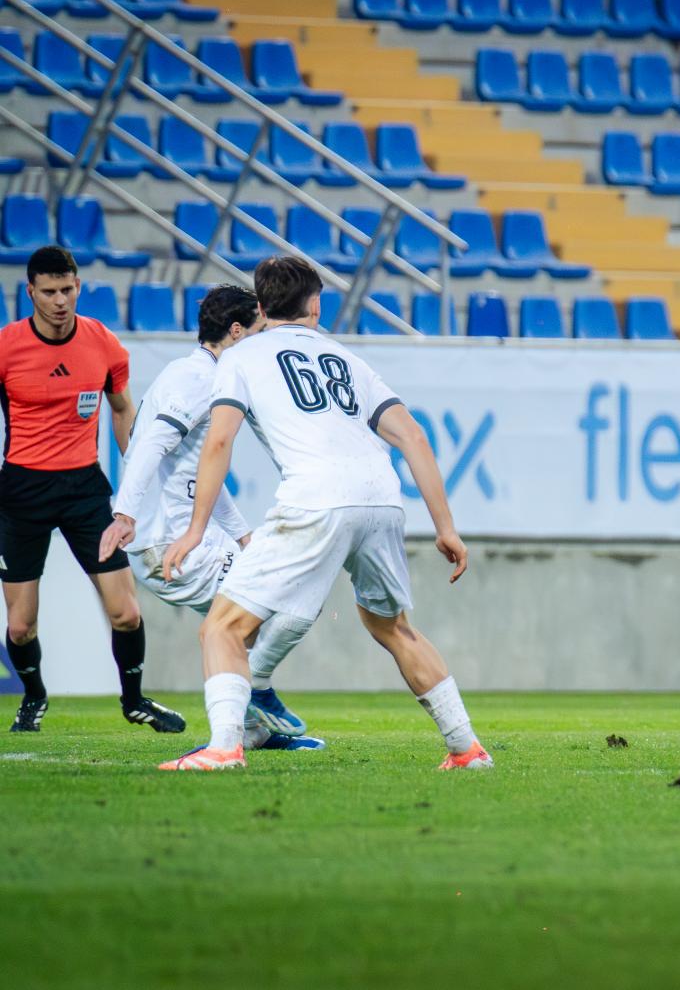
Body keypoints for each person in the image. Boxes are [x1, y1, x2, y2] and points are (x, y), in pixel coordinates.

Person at [158, 256, 490, 771]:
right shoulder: (346, 358)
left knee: (221, 628)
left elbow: (219, 440)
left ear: (261, 307)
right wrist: (445, 528)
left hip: (316, 496)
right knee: (393, 626)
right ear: (316, 305)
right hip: (381, 497)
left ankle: (224, 747)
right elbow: (412, 437)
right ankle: (466, 748)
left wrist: (195, 530)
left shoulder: (240, 358)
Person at [97, 284, 320, 751]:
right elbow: (149, 445)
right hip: (169, 541)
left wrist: (242, 538)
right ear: (236, 332)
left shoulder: (195, 373)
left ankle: (250, 729)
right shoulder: (198, 380)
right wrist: (125, 514)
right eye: (258, 332)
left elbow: (202, 478)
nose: (262, 341)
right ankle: (255, 695)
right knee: (278, 600)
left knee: (247, 619)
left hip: (184, 536)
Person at [0, 246, 184, 734]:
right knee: (20, 625)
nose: (60, 300)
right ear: (31, 292)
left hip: (84, 489)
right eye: (49, 292)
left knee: (126, 613)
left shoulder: (103, 343)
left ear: (78, 286)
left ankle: (135, 701)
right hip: (21, 492)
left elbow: (122, 409)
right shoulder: (6, 347)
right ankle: (34, 697)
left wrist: (135, 482)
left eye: (68, 289)